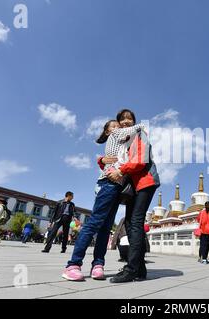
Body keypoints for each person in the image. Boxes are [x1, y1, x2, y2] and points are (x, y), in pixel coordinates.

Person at [64, 111, 155, 282]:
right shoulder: (120, 134)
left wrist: (107, 162)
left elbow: (136, 160)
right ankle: (73, 264)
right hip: (109, 183)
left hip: (120, 185)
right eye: (118, 122)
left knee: (106, 227)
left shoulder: (132, 137)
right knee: (95, 222)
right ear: (108, 131)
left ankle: (98, 264)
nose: (122, 124)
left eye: (128, 119)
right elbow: (111, 159)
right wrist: (104, 161)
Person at [107, 109, 161, 283]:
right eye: (122, 119)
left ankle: (131, 269)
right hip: (135, 185)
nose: (125, 121)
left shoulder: (140, 134)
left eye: (129, 118)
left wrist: (120, 170)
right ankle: (140, 269)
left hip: (145, 181)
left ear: (134, 121)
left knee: (136, 222)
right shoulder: (124, 140)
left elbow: (140, 160)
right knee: (130, 224)